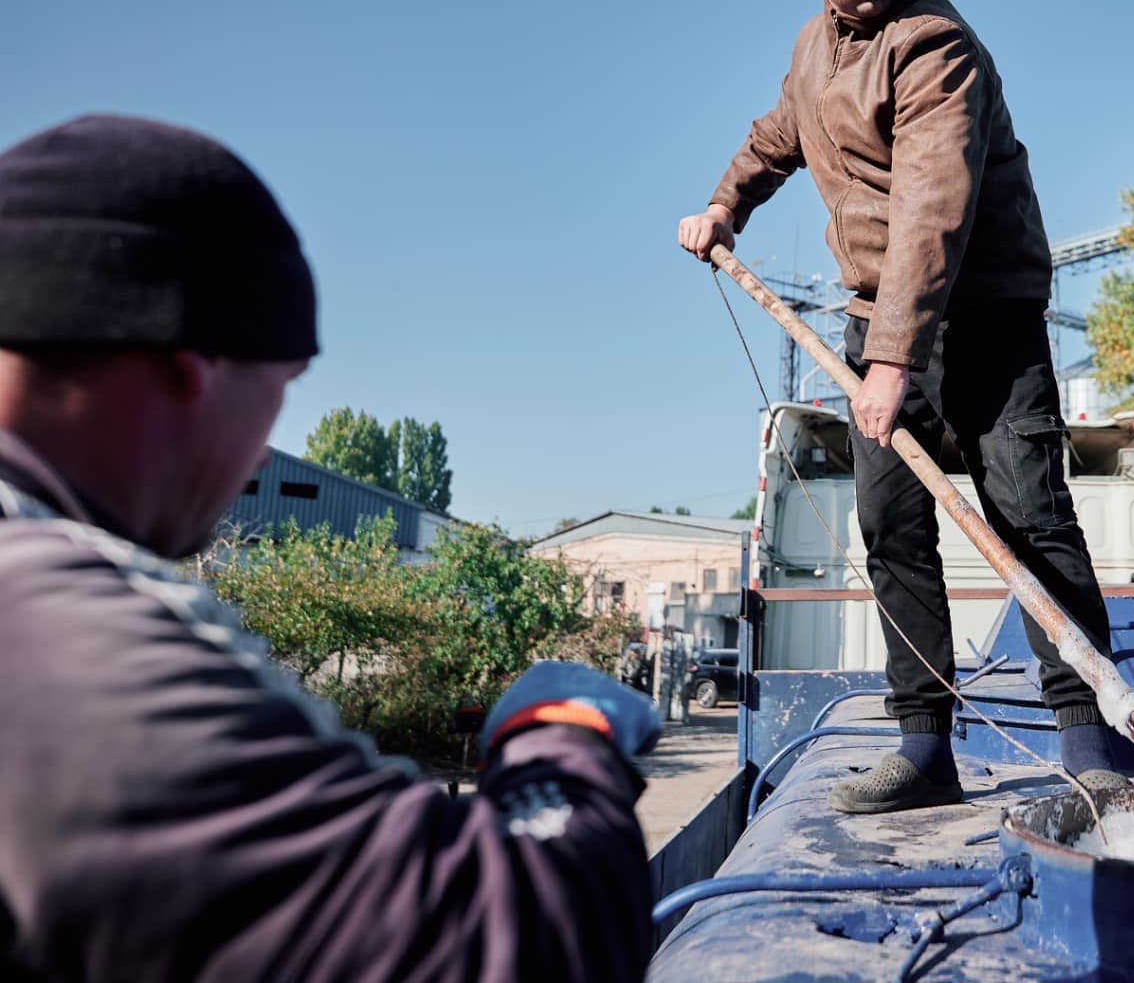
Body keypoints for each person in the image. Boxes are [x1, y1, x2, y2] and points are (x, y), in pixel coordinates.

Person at [0, 115, 658, 981]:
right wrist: (560, 741)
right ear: (194, 363)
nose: (264, 454)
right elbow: (516, 935)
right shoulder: (53, 628)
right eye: (281, 389)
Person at [678, 0, 1125, 813]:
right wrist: (725, 206)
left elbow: (932, 210)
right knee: (890, 528)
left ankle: (1091, 742)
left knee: (1029, 517)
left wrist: (890, 363)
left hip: (983, 314)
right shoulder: (813, 52)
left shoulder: (935, 45)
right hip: (877, 316)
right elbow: (777, 135)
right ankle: (925, 746)